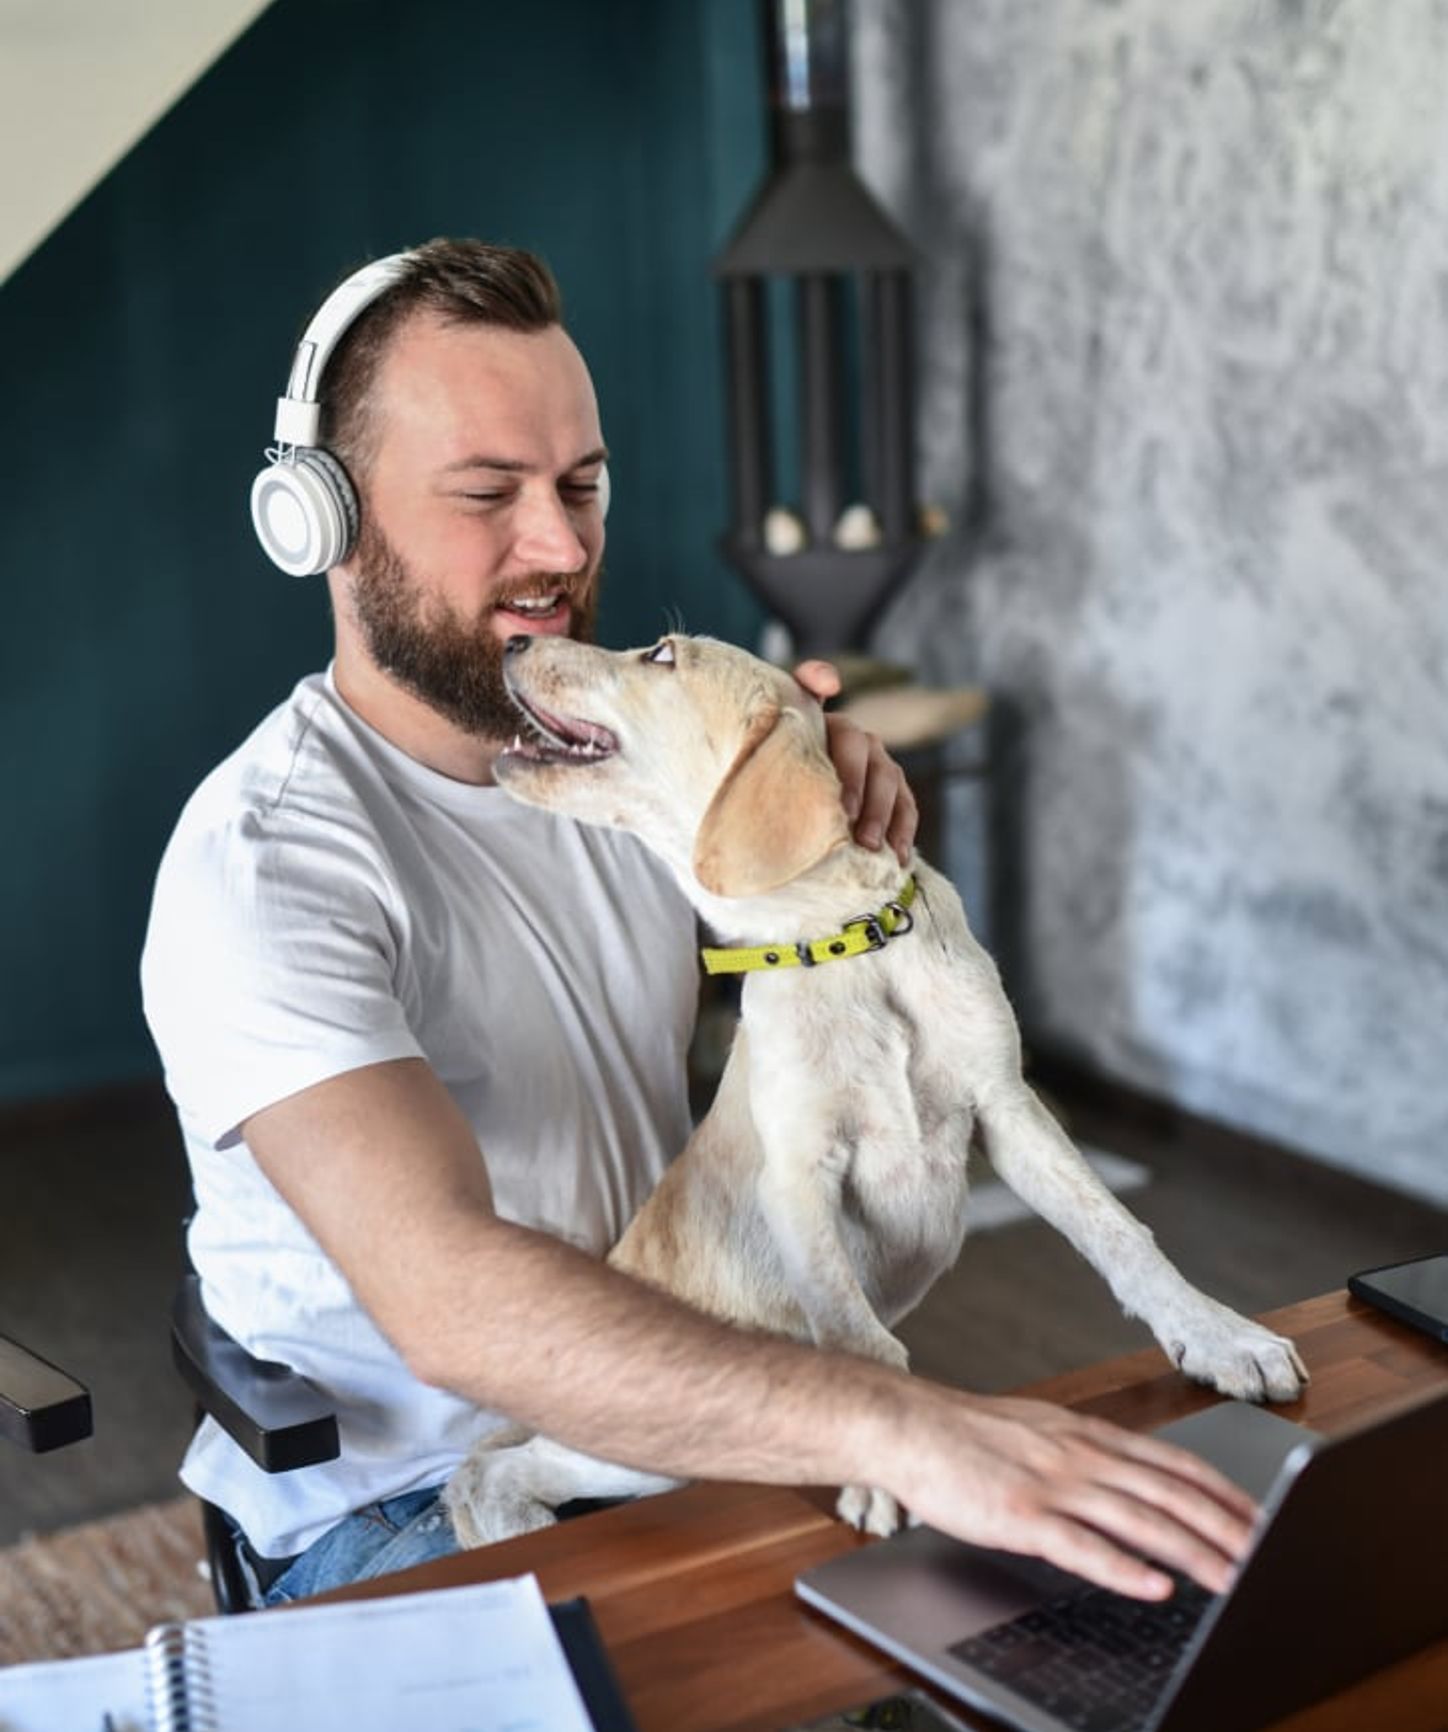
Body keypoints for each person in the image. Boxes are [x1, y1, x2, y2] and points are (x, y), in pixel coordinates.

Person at [141, 238, 1255, 1609]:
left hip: (680, 1409)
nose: (558, 549)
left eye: (582, 488)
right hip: (405, 1510)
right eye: (488, 494)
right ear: (323, 519)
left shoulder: (613, 783)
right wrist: (893, 1420)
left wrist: (827, 824)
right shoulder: (265, 867)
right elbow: (449, 1301)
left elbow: (856, 1009)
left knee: (1089, 1623)